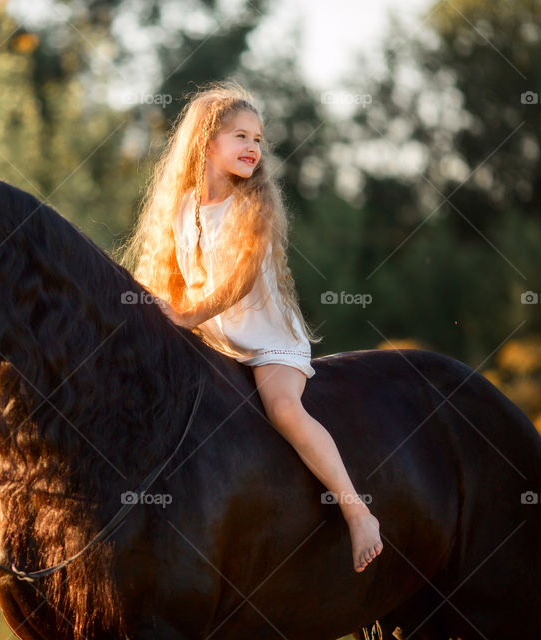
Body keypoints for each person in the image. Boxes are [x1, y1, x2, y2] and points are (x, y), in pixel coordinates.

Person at [118, 81, 383, 573]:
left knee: (283, 409)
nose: (253, 148)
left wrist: (186, 317)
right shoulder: (182, 210)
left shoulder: (252, 206)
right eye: (241, 136)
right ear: (206, 142)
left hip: (266, 344)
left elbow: (238, 283)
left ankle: (356, 510)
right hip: (212, 341)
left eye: (258, 140)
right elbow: (171, 279)